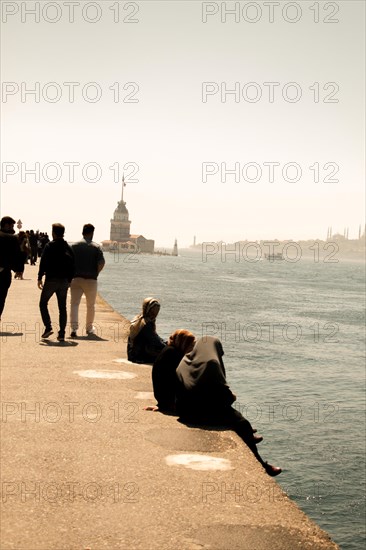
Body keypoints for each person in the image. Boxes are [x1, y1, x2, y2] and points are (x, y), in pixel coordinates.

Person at [176, 336, 282, 477]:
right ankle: (262, 464)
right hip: (200, 414)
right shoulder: (211, 363)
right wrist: (232, 396)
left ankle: (250, 434)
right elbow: (225, 399)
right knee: (240, 422)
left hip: (184, 411)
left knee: (234, 415)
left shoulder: (185, 361)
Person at [37, 223, 75, 342]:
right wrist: (69, 280)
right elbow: (74, 264)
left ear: (53, 232)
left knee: (43, 303)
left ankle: (48, 327)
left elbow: (43, 262)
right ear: (63, 233)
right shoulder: (68, 247)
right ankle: (62, 334)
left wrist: (39, 277)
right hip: (64, 281)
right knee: (62, 307)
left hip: (51, 280)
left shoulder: (49, 246)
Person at [70, 223, 105, 337]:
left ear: (82, 232)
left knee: (74, 304)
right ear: (92, 233)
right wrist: (96, 273)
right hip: (91, 279)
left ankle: (74, 329)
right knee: (90, 305)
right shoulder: (96, 247)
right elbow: (101, 263)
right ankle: (89, 329)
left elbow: (68, 262)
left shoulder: (74, 246)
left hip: (76, 278)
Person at [149, 329, 196, 412]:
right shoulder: (173, 354)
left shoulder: (169, 350)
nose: (192, 348)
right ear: (183, 343)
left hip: (164, 399)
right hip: (170, 401)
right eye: (190, 345)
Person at [127, 297, 166, 363]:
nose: (154, 315)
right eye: (152, 312)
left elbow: (155, 337)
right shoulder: (145, 324)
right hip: (138, 355)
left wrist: (166, 342)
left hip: (133, 353)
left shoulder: (140, 318)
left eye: (156, 312)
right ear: (148, 310)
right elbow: (155, 341)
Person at [0, 216, 23, 321]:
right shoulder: (13, 238)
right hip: (4, 272)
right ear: (6, 225)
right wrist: (19, 269)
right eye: (12, 225)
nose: (13, 227)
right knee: (1, 297)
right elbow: (17, 255)